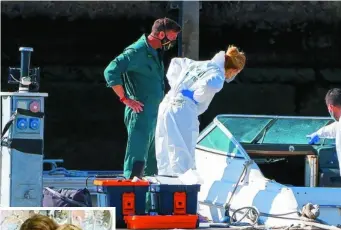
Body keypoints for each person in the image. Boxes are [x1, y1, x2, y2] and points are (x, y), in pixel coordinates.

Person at [103, 17, 181, 179]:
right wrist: (126, 99)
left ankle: (148, 201)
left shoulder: (154, 52)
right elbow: (111, 71)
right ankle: (130, 196)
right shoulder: (137, 51)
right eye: (172, 37)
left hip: (154, 113)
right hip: (140, 113)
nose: (173, 41)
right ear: (160, 35)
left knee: (152, 161)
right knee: (136, 158)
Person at [155, 45, 246, 177]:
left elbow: (175, 63)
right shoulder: (218, 75)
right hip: (183, 109)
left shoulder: (199, 64)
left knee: (164, 148)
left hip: (166, 103)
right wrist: (196, 96)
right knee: (183, 152)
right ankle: (183, 188)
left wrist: (177, 86)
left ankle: (165, 181)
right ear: (233, 69)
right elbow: (210, 84)